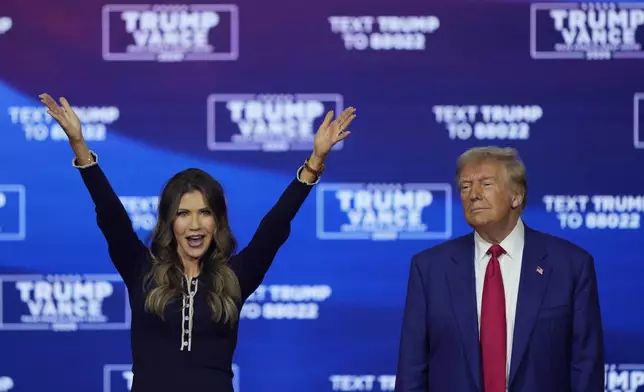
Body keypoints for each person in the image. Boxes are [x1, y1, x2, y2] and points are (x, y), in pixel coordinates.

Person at [38, 93, 356, 392]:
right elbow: (111, 215)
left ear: (217, 220)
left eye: (204, 213)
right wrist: (79, 145)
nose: (194, 225)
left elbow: (273, 228)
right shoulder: (141, 270)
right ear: (169, 222)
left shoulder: (235, 277)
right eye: (183, 214)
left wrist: (314, 163)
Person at [394, 146, 604, 392]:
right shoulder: (429, 269)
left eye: (486, 184)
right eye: (465, 186)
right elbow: (411, 371)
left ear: (516, 195)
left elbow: (586, 368)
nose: (473, 194)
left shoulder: (570, 266)